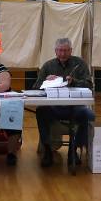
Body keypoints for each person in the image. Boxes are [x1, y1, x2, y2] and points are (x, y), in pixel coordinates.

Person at [34, 38, 95, 167]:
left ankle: (73, 149)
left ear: (71, 51)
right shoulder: (48, 65)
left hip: (75, 107)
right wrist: (46, 80)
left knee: (89, 115)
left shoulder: (80, 64)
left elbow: (89, 85)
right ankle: (48, 150)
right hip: (54, 107)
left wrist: (74, 82)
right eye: (60, 51)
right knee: (40, 111)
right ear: (55, 51)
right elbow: (35, 87)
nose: (62, 54)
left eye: (66, 51)